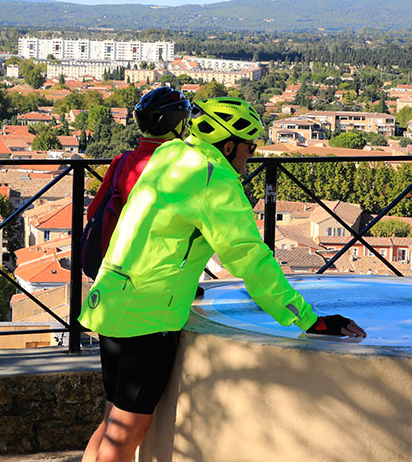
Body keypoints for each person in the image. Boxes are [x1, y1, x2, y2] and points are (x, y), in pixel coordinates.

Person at [79, 97, 366, 462]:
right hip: (146, 316)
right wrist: (310, 319)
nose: (251, 156)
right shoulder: (216, 181)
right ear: (228, 145)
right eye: (249, 148)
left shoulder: (171, 156)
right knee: (126, 435)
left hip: (112, 299)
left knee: (112, 424)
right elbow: (251, 260)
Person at [86, 87, 192, 254]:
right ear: (178, 124)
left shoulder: (121, 162)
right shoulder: (189, 165)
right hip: (164, 262)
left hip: (118, 257)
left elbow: (93, 211)